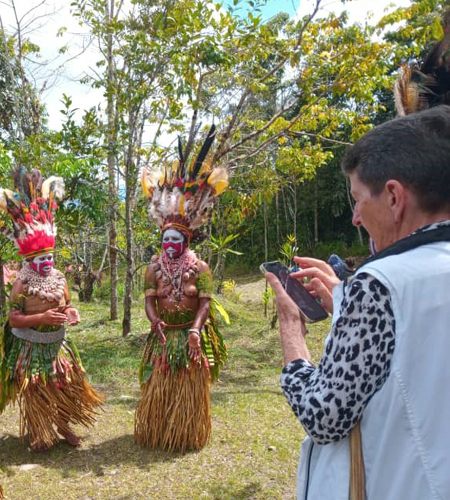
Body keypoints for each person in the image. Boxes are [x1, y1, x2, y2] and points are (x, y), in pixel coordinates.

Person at [267, 105, 450, 499]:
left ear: (394, 197)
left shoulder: (379, 285)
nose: (354, 217)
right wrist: (343, 303)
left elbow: (323, 416)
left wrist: (290, 330)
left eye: (356, 199)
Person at [135, 126, 228, 452]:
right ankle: (160, 431)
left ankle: (186, 434)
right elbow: (148, 300)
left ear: (187, 240)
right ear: (161, 240)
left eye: (177, 240)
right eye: (166, 240)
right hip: (164, 337)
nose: (171, 245)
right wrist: (153, 320)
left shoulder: (201, 268)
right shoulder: (152, 268)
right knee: (161, 383)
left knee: (187, 385)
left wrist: (196, 330)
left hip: (189, 337)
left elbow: (204, 302)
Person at [0, 168, 104, 452]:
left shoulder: (59, 278)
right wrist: (41, 317)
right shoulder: (21, 283)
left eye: (50, 256)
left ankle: (63, 426)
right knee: (36, 389)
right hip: (31, 346)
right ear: (29, 259)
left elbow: (67, 304)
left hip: (58, 345)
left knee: (65, 386)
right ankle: (39, 430)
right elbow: (13, 318)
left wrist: (71, 313)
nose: (47, 262)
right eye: (41, 258)